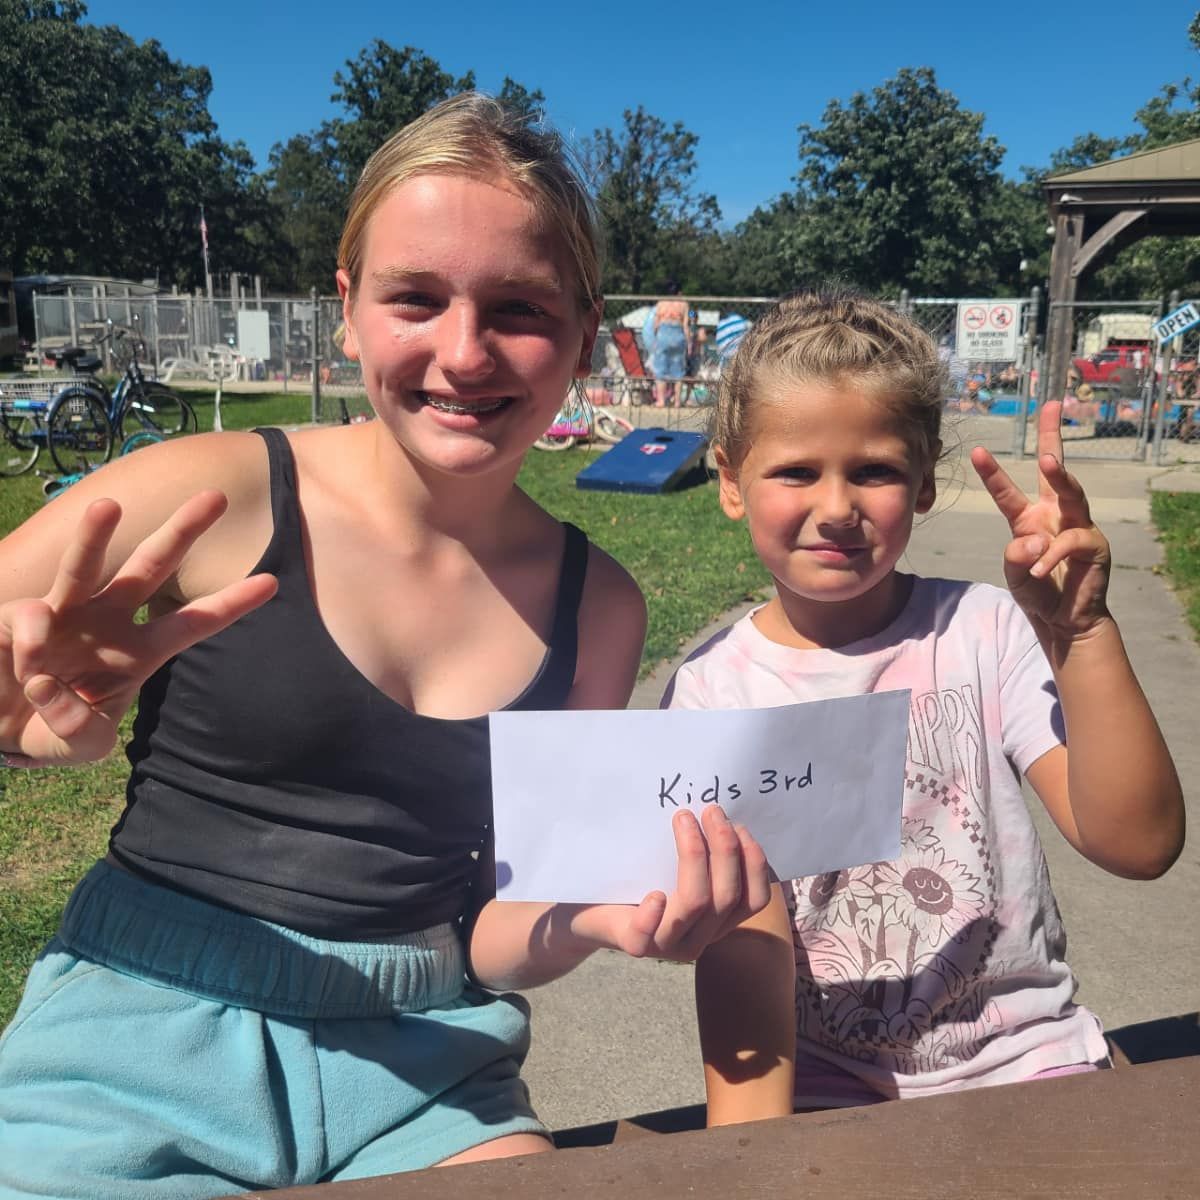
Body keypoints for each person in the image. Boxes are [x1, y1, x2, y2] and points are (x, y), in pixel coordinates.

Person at [0, 94, 770, 1197]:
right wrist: (16, 730)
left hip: (426, 1068)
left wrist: (598, 915)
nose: (464, 354)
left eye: (518, 307)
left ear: (585, 336)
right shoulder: (202, 492)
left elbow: (503, 935)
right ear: (348, 307)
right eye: (416, 298)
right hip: (136, 1036)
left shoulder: (598, 607)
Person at [661, 289, 1184, 1127]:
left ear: (926, 479)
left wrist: (1082, 636)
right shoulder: (712, 692)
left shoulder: (983, 631)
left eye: (875, 470)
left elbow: (1139, 842)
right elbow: (742, 955)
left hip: (1033, 1062)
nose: (837, 508)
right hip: (827, 1091)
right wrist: (748, 1160)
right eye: (796, 470)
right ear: (731, 482)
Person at [650, 281, 691, 408]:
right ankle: (677, 401)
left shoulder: (661, 303)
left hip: (663, 335)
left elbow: (655, 324)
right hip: (678, 336)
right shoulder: (684, 304)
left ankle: (661, 400)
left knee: (660, 370)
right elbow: (685, 326)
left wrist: (656, 338)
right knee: (678, 371)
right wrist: (688, 343)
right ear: (679, 292)